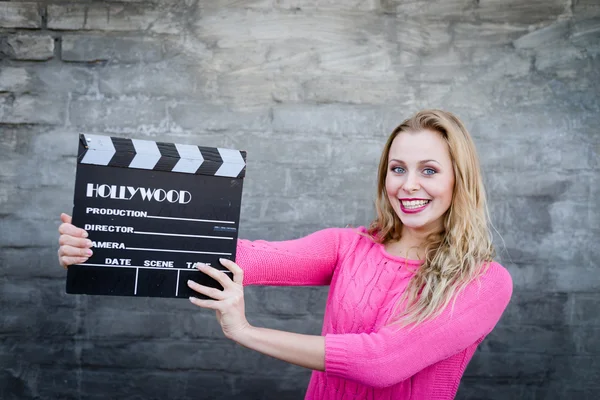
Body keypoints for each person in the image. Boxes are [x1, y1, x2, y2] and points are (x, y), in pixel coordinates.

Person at [58, 109, 513, 399]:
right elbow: (247, 255)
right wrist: (104, 241)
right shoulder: (349, 245)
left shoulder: (484, 281)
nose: (408, 185)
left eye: (428, 170)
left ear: (460, 180)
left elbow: (381, 362)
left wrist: (245, 331)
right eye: (398, 169)